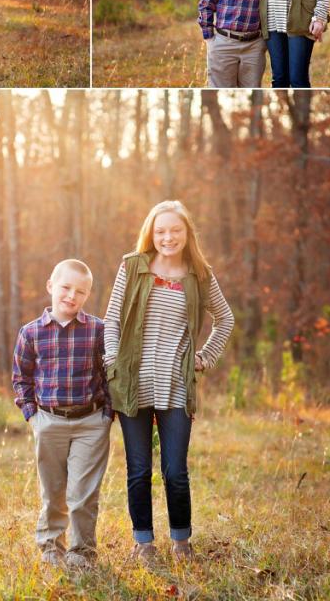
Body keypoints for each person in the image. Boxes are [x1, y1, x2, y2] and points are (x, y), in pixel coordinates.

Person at [104, 200, 234, 564]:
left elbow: (225, 319)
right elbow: (111, 320)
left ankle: (181, 542)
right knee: (139, 470)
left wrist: (205, 357)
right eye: (160, 231)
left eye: (175, 230)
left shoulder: (199, 274)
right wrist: (112, 360)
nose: (168, 237)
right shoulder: (132, 267)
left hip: (176, 385)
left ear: (187, 233)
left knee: (175, 471)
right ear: (151, 233)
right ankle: (143, 544)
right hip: (133, 384)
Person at [12, 259, 113, 570]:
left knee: (83, 493)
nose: (72, 296)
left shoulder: (98, 330)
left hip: (90, 422)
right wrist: (33, 415)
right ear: (50, 287)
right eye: (66, 288)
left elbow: (110, 374)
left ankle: (82, 552)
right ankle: (51, 547)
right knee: (53, 490)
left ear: (88, 295)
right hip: (49, 421)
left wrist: (107, 414)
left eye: (80, 291)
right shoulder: (31, 333)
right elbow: (21, 377)